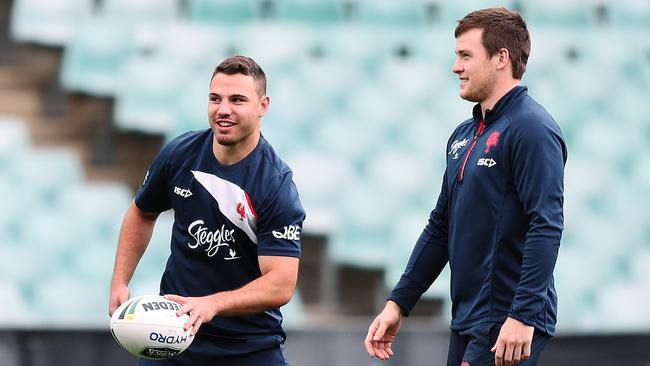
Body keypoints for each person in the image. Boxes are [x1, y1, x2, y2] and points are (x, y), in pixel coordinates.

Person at [365, 7, 567, 366]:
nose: (456, 67)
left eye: (465, 55)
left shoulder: (532, 129)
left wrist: (522, 316)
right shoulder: (463, 135)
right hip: (469, 319)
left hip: (506, 321)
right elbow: (441, 225)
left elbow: (546, 224)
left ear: (501, 58)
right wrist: (399, 303)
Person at [109, 55, 305, 366]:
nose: (223, 109)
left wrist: (212, 304)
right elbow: (142, 212)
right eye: (216, 99)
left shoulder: (275, 185)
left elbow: (281, 283)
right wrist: (120, 281)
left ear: (262, 106)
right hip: (173, 339)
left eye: (237, 100)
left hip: (249, 347)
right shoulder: (179, 154)